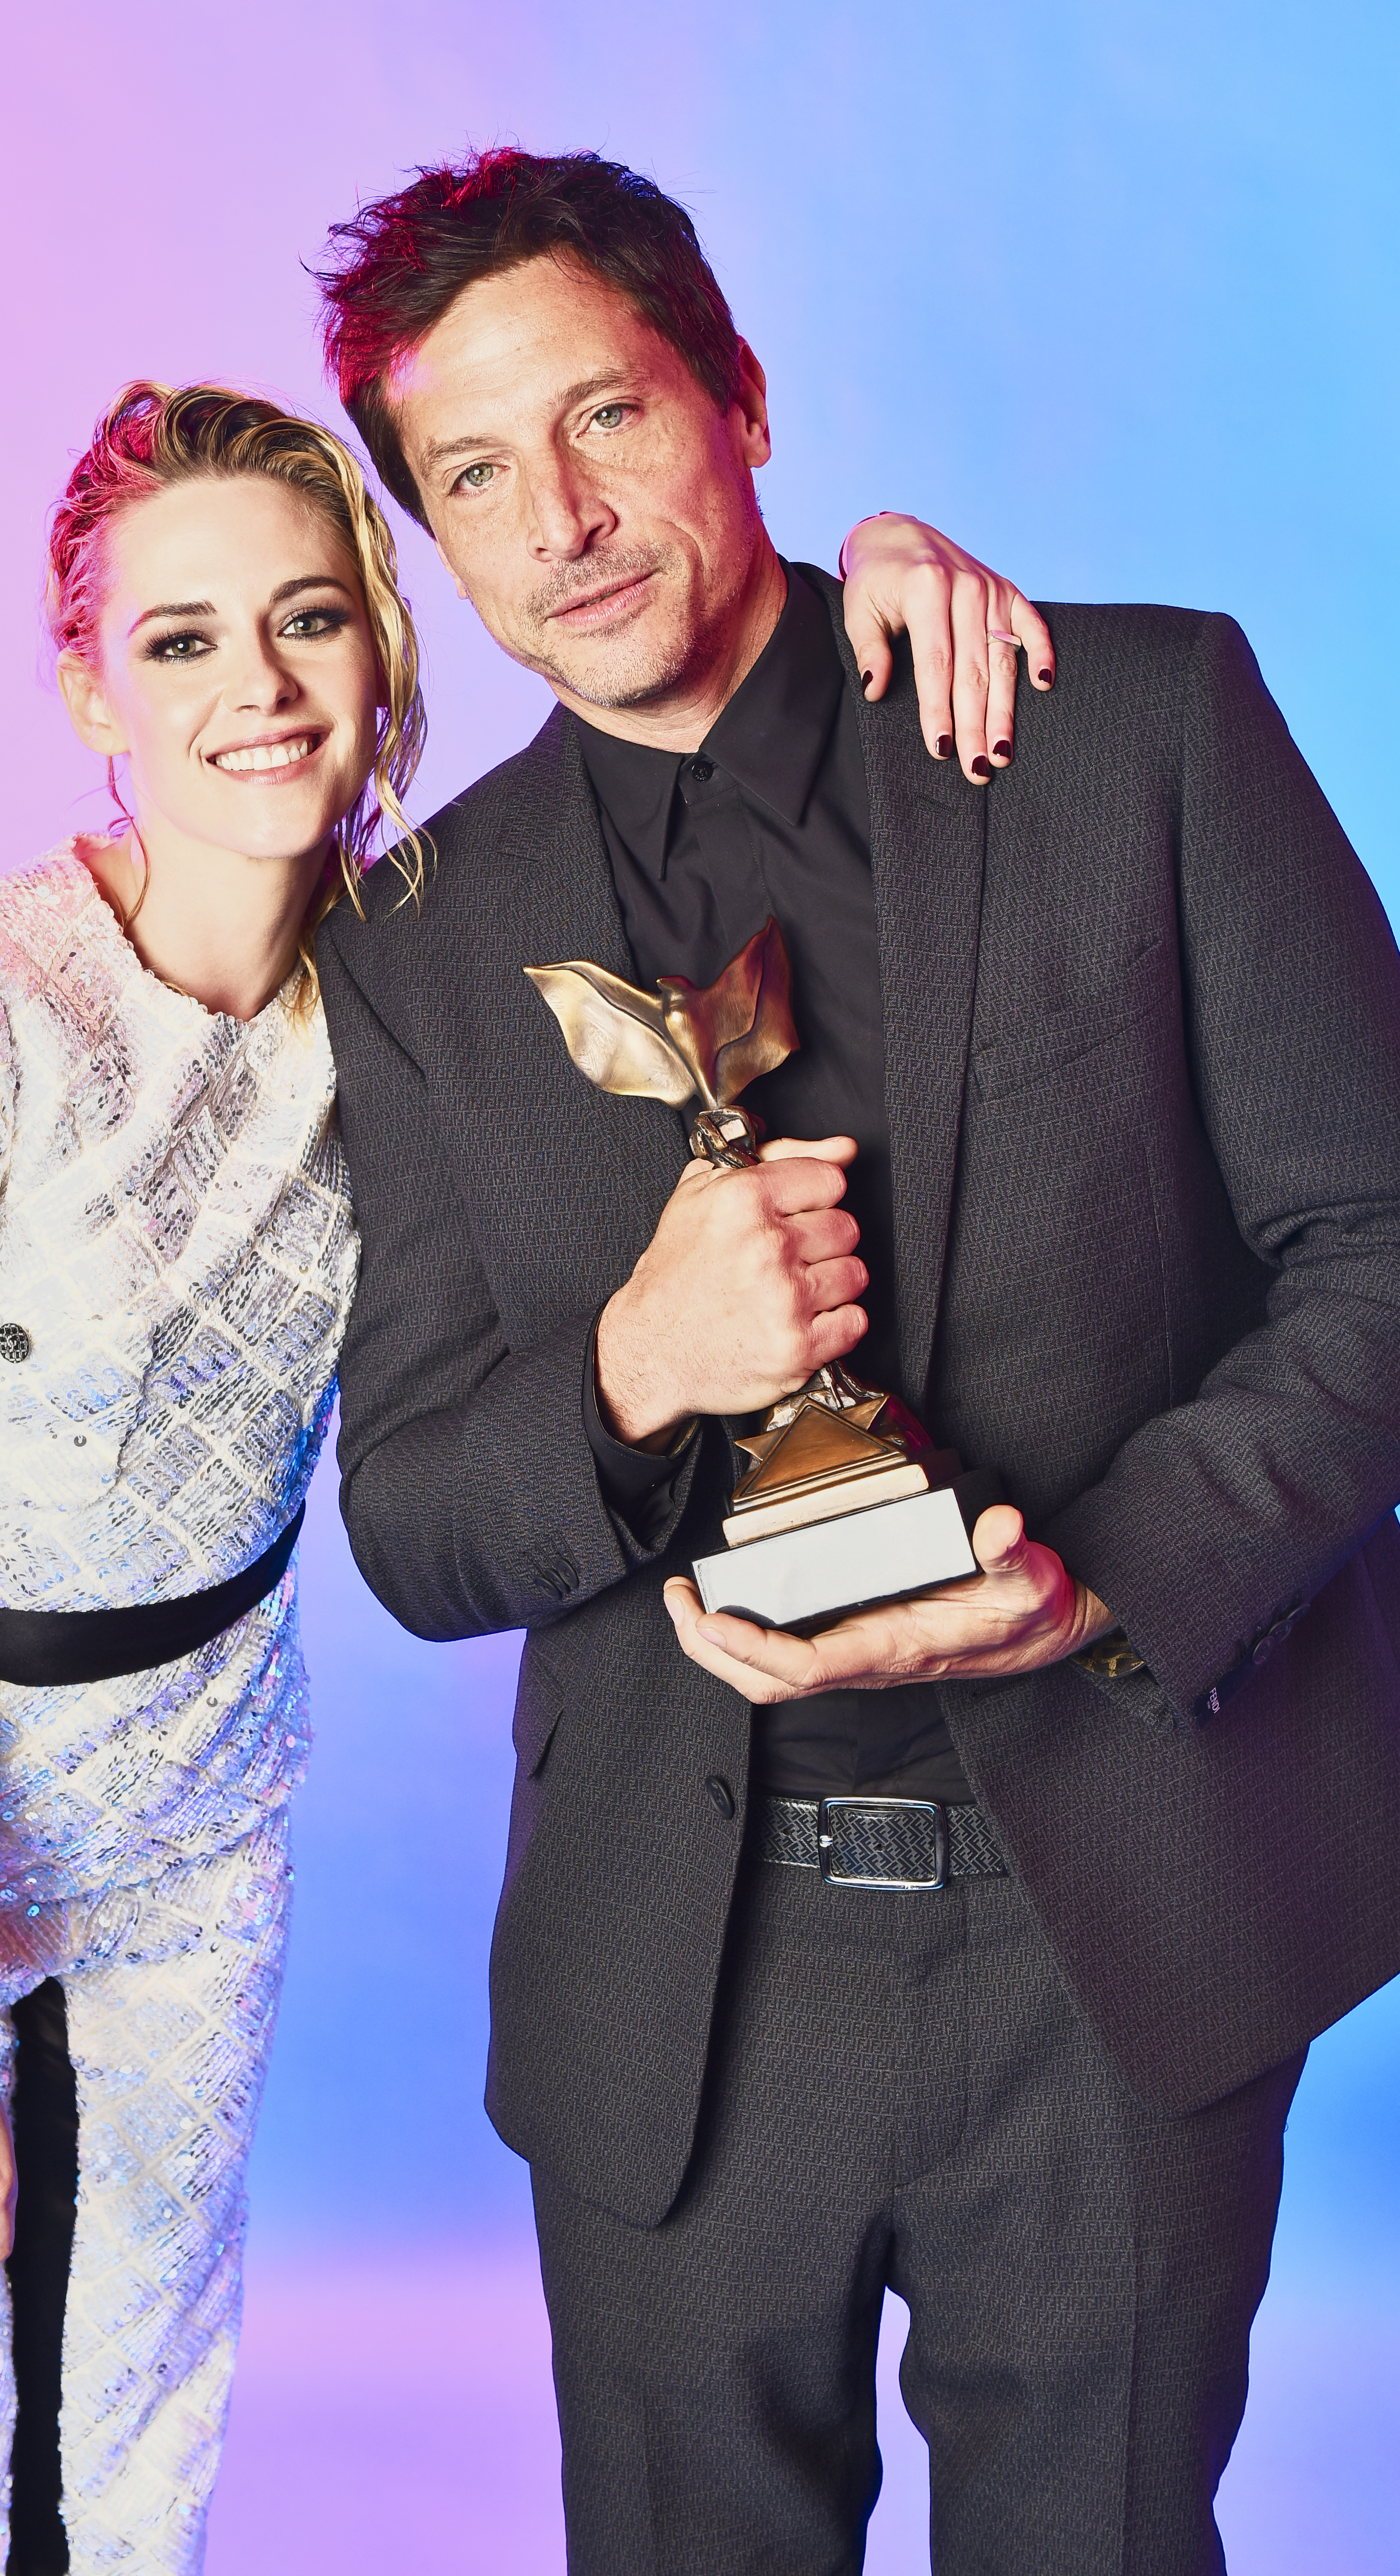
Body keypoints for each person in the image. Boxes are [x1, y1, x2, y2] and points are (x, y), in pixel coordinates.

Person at [0, 363, 1010, 2573]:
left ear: (381, 647)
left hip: (196, 1820)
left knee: (129, 2464)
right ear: (87, 684)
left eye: (308, 619)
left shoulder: (413, 986)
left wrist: (876, 579)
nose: (258, 688)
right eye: (183, 639)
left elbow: (705, 825)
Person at [311, 147, 1400, 2573]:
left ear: (744, 396)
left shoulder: (1124, 721)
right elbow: (404, 1517)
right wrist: (624, 1368)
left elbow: (1380, 1248)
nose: (560, 520)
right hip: (679, 1983)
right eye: (475, 475)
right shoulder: (412, 943)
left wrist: (1093, 1577)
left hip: (1118, 1917)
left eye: (605, 416)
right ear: (433, 538)